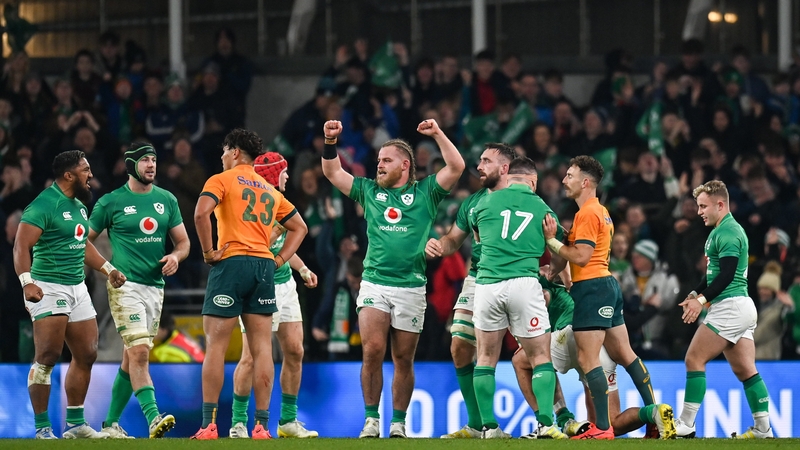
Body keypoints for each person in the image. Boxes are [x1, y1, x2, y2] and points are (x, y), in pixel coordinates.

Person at [321, 118, 465, 438]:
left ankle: (398, 423)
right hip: (375, 282)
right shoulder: (368, 191)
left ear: (404, 165)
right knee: (372, 349)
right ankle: (371, 420)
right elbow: (332, 172)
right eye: (378, 160)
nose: (379, 165)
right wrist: (330, 142)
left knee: (403, 358)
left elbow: (456, 166)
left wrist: (438, 133)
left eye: (386, 160)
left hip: (411, 287)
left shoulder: (426, 192)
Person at [542, 155, 674, 440]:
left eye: (570, 175)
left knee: (588, 358)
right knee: (626, 354)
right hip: (607, 285)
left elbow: (581, 256)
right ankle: (652, 417)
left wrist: (550, 240)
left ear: (585, 182)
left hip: (591, 288)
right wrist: (556, 259)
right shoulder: (601, 212)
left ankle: (602, 428)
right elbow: (572, 253)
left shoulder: (587, 213)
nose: (564, 180)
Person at [191, 129, 308, 440]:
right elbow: (300, 227)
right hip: (263, 269)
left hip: (231, 264)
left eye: (224, 151)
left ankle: (209, 425)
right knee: (262, 349)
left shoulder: (221, 180)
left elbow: (201, 214)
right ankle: (261, 426)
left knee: (216, 347)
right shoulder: (270, 189)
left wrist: (208, 252)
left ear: (234, 152)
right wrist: (279, 260)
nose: (222, 157)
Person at [13, 150, 126, 439]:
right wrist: (27, 282)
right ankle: (42, 429)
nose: (91, 175)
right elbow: (21, 246)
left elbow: (82, 243)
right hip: (48, 286)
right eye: (85, 170)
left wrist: (108, 269)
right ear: (68, 175)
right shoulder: (43, 205)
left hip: (77, 287)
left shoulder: (79, 206)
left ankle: (75, 425)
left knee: (87, 353)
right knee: (47, 356)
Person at [88, 142, 190, 439]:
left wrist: (175, 256)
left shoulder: (166, 199)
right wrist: (108, 269)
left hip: (155, 288)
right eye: (145, 160)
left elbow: (183, 242)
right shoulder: (111, 202)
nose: (151, 165)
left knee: (130, 357)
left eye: (154, 159)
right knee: (141, 352)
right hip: (125, 287)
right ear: (131, 164)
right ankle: (153, 417)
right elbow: (84, 241)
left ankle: (110, 425)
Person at [423, 142, 516, 438]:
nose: (479, 166)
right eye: (480, 161)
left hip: (518, 279)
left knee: (536, 353)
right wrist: (441, 245)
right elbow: (454, 239)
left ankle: (552, 421)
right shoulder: (473, 202)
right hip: (478, 278)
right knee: (460, 347)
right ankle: (477, 424)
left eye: (486, 161)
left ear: (504, 168)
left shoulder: (522, 198)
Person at [468, 157, 565, 439]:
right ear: (533, 181)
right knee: (539, 356)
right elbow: (559, 252)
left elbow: (478, 237)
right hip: (524, 283)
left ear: (509, 178)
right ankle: (546, 424)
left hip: (487, 284)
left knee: (485, 357)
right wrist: (552, 270)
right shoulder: (543, 208)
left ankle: (488, 428)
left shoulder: (483, 203)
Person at [513, 275, 677, 439]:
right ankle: (654, 412)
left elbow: (544, 294)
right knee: (610, 423)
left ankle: (557, 421)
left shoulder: (537, 281)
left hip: (572, 334)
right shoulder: (585, 279)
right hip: (600, 343)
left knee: (528, 361)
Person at [229, 152, 320, 439]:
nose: (288, 177)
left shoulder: (280, 202)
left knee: (295, 350)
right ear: (271, 175)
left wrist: (302, 268)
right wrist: (280, 227)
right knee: (250, 357)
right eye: (283, 171)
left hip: (284, 285)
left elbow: (283, 245)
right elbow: (257, 244)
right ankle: (238, 422)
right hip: (257, 286)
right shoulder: (250, 203)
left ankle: (288, 421)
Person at [674, 180, 773, 439]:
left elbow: (727, 275)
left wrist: (701, 301)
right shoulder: (722, 230)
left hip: (730, 306)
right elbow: (714, 274)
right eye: (698, 206)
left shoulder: (728, 232)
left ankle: (686, 424)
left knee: (694, 359)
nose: (699, 212)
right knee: (745, 370)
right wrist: (695, 293)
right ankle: (763, 429)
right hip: (741, 306)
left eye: (703, 206)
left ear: (720, 204)